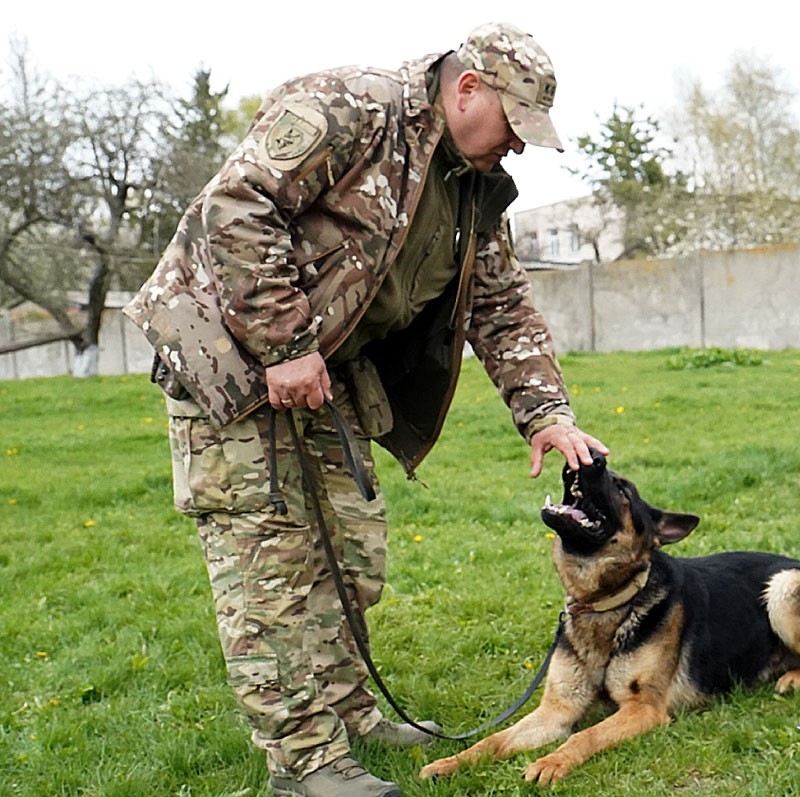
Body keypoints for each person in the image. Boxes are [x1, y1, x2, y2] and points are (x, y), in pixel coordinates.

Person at [125, 23, 607, 797]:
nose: (516, 148)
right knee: (272, 565)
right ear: (467, 89)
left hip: (328, 373)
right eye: (513, 127)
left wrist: (546, 411)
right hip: (231, 358)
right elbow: (235, 208)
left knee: (348, 553)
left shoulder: (472, 184)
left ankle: (349, 712)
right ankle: (306, 760)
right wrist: (282, 343)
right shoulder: (352, 107)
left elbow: (500, 301)